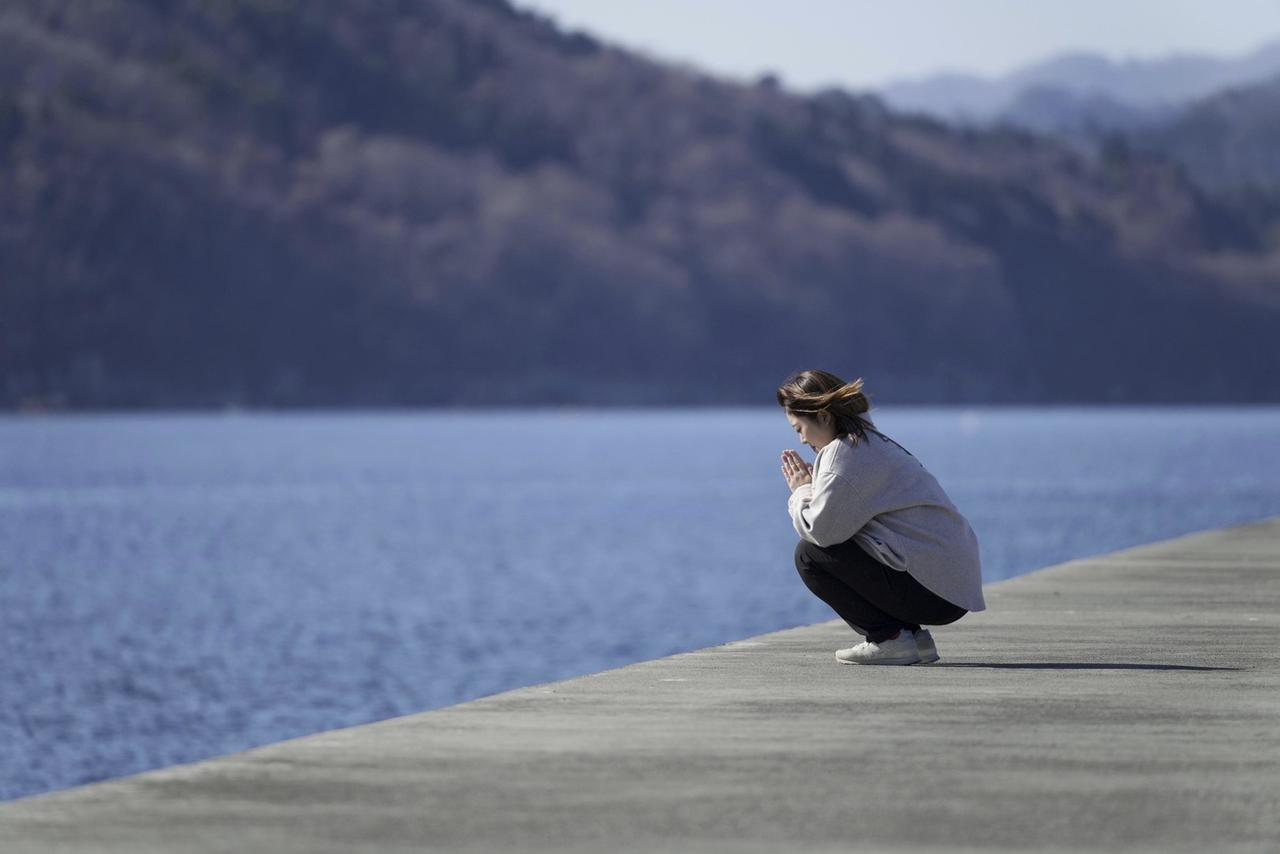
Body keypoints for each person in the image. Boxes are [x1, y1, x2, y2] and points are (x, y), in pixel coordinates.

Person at [777, 369, 985, 665]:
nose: (800, 440)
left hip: (937, 593)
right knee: (846, 541)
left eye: (799, 428)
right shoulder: (870, 441)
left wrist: (802, 490)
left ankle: (889, 639)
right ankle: (914, 639)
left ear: (823, 416)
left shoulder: (845, 454)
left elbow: (820, 532)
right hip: (951, 588)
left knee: (809, 556)